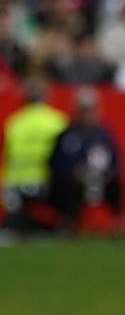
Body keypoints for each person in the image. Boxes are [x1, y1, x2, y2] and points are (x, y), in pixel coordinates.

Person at [49, 86, 124, 235]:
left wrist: (109, 173)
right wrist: (75, 172)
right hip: (75, 181)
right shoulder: (68, 133)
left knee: (117, 184)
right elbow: (55, 162)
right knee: (67, 184)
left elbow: (116, 160)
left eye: (91, 109)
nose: (88, 114)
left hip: (100, 179)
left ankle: (118, 223)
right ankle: (69, 222)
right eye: (84, 109)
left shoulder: (104, 134)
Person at [2, 78, 68, 236]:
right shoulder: (57, 120)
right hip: (46, 181)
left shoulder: (15, 122)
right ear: (46, 96)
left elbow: (8, 156)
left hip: (15, 182)